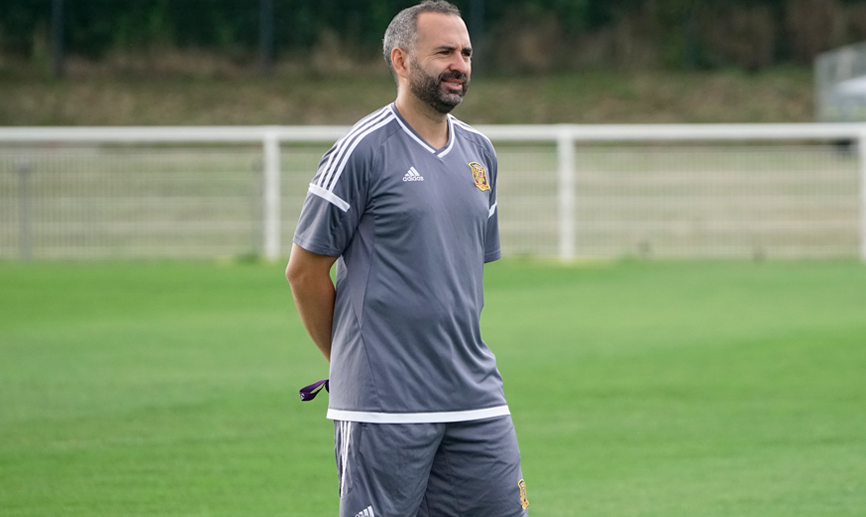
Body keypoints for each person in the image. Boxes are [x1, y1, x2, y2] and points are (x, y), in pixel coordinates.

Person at [286, 1, 528, 515]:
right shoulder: (361, 150)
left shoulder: (480, 153)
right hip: (383, 407)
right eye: (443, 52)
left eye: (465, 52)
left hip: (475, 397)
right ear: (400, 61)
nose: (459, 64)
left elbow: (456, 276)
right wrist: (353, 363)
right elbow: (304, 271)